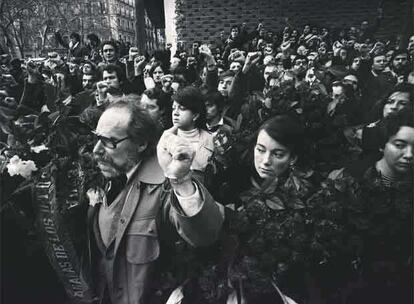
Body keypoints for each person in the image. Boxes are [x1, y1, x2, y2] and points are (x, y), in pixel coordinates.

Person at [85, 97, 224, 304]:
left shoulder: (165, 187)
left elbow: (205, 234)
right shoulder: (105, 176)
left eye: (109, 142)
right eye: (97, 138)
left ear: (141, 143)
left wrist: (181, 181)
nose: (96, 151)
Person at [158, 86, 214, 182]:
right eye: (173, 108)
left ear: (195, 115)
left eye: (182, 109)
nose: (175, 113)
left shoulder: (210, 139)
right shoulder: (166, 139)